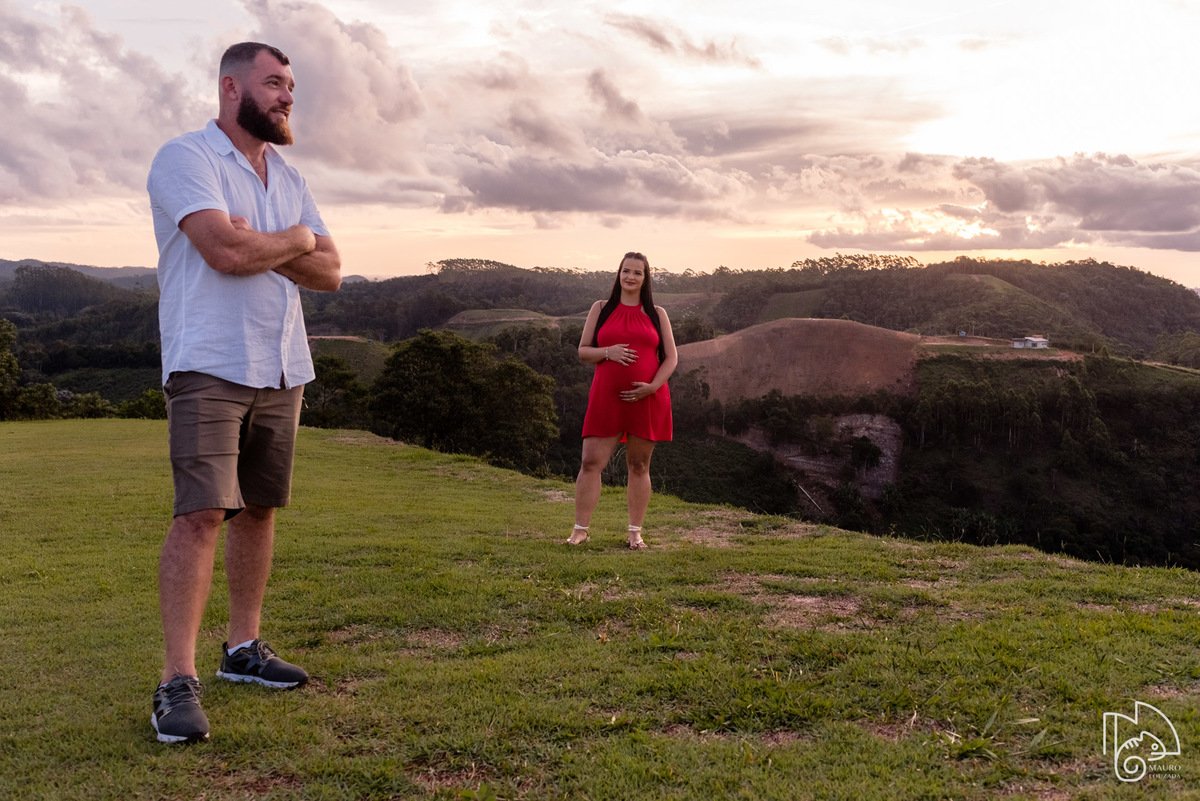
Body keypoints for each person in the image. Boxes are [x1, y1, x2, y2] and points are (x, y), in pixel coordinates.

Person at [145, 42, 341, 744]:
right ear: (232, 88)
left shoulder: (287, 174)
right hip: (210, 362)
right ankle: (175, 681)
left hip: (282, 364)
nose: (288, 96)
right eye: (275, 83)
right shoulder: (186, 158)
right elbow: (222, 252)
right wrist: (294, 241)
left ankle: (243, 650)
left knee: (259, 510)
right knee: (202, 514)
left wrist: (274, 240)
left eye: (292, 85)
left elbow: (332, 272)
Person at [568, 252, 678, 549]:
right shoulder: (601, 308)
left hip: (647, 398)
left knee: (639, 465)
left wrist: (652, 387)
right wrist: (608, 352)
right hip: (607, 397)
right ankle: (580, 530)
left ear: (645, 278)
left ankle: (634, 533)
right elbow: (583, 351)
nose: (630, 277)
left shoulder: (658, 313)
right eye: (625, 271)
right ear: (619, 274)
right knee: (590, 462)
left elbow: (671, 358)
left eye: (637, 273)